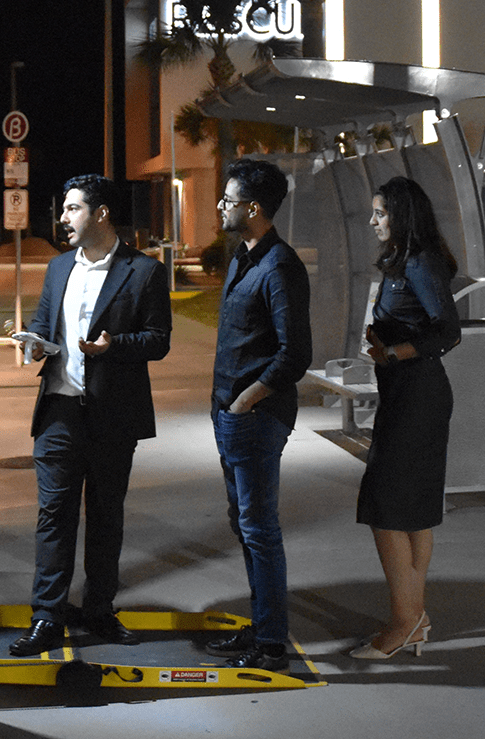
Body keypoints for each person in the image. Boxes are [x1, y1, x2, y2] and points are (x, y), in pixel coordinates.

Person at [9, 174, 171, 656]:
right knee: (54, 516)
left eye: (72, 208)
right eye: (63, 209)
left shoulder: (143, 271)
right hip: (59, 410)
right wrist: (34, 342)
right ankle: (47, 618)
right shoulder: (59, 267)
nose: (63, 217)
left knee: (105, 517)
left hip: (112, 414)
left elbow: (158, 341)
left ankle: (99, 610)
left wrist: (112, 346)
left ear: (100, 213)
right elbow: (44, 321)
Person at [205, 159, 312, 672]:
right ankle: (262, 622)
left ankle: (271, 644)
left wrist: (247, 399)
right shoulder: (244, 259)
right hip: (230, 413)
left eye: (227, 200)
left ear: (253, 207)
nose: (220, 207)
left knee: (259, 527)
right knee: (244, 524)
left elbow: (295, 355)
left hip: (255, 417)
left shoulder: (279, 267)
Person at [350, 176, 461, 660]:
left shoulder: (420, 263)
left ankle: (405, 621)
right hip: (403, 393)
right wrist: (385, 348)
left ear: (402, 216)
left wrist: (394, 352)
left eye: (381, 212)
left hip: (419, 394)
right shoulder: (402, 265)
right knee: (410, 508)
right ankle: (412, 617)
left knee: (386, 507)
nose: (373, 220)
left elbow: (449, 332)